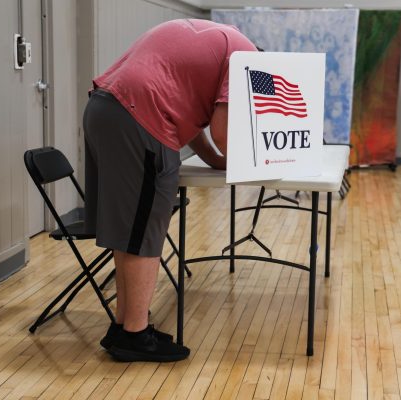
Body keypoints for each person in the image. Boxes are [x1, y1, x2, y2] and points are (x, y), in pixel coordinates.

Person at [82, 19, 257, 362]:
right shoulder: (246, 57)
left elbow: (188, 118)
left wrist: (216, 161)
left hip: (104, 108)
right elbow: (222, 131)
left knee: (130, 229)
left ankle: (122, 327)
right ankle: (136, 335)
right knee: (145, 229)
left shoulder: (217, 40)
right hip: (140, 118)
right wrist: (251, 164)